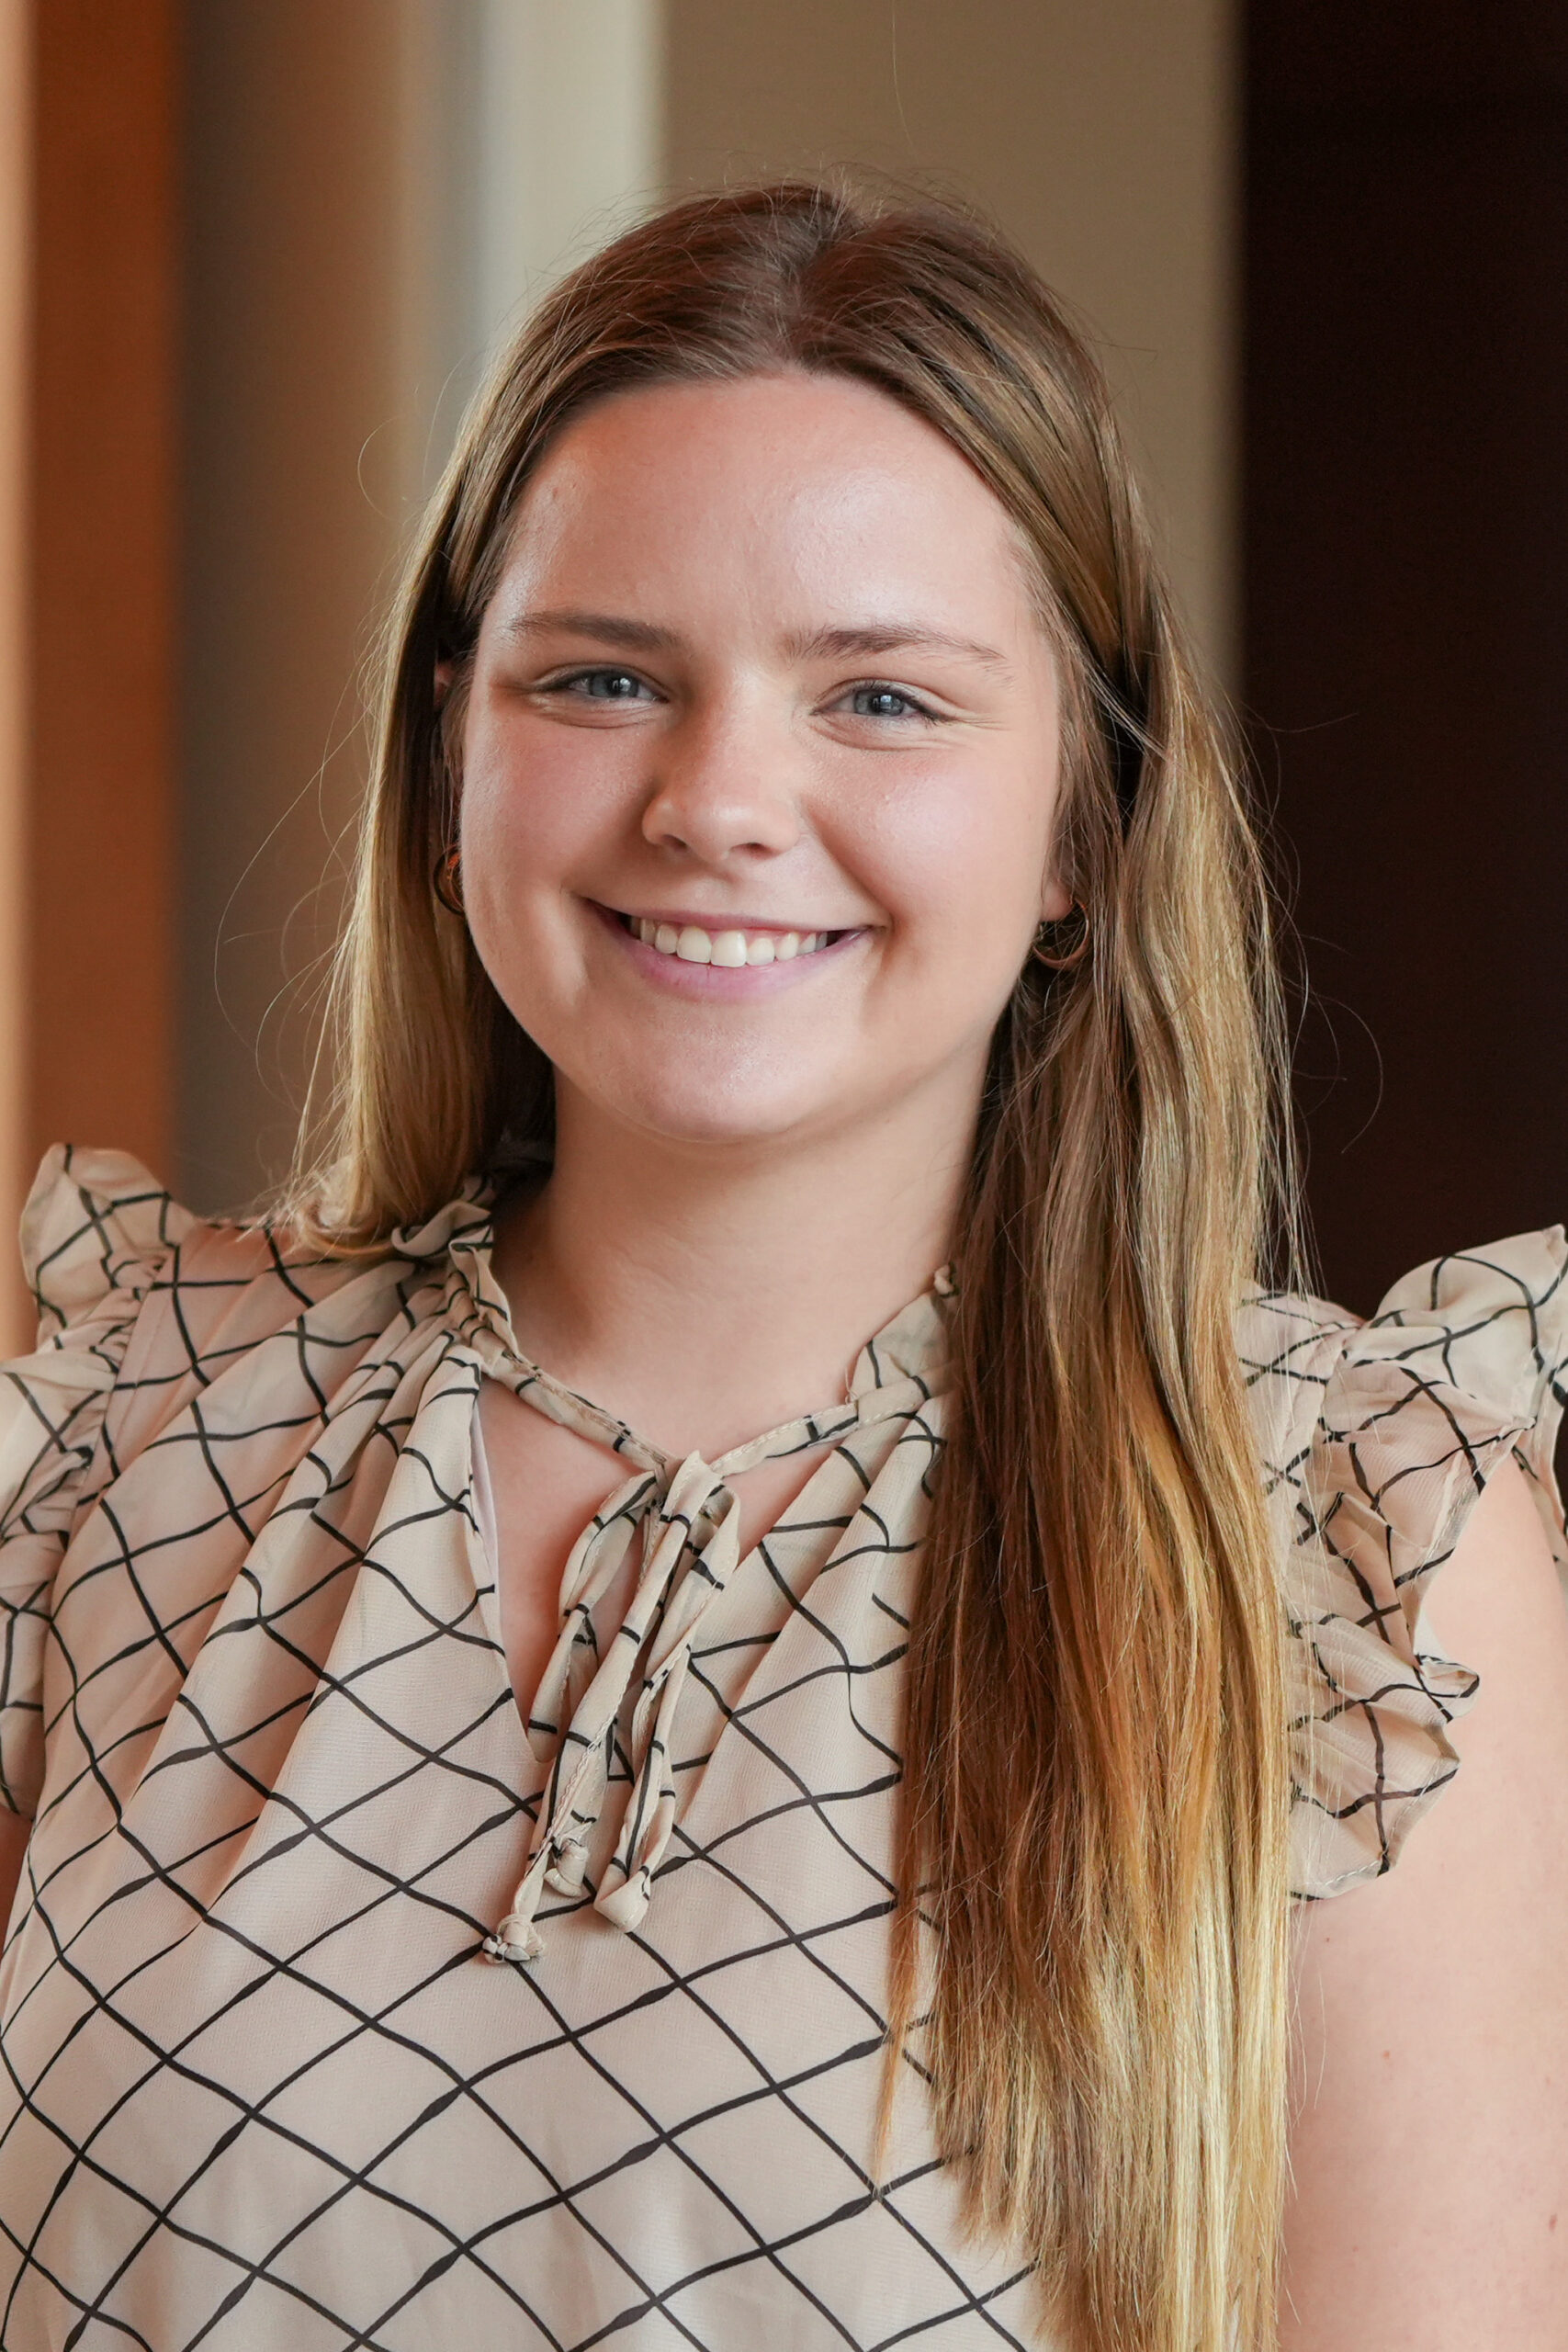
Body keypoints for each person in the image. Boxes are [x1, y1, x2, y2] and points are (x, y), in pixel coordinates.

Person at [0, 182, 1563, 2352]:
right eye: (607, 675)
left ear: (1075, 834)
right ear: (455, 743)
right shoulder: (116, 1444)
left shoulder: (1337, 1536)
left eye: (883, 700)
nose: (721, 798)